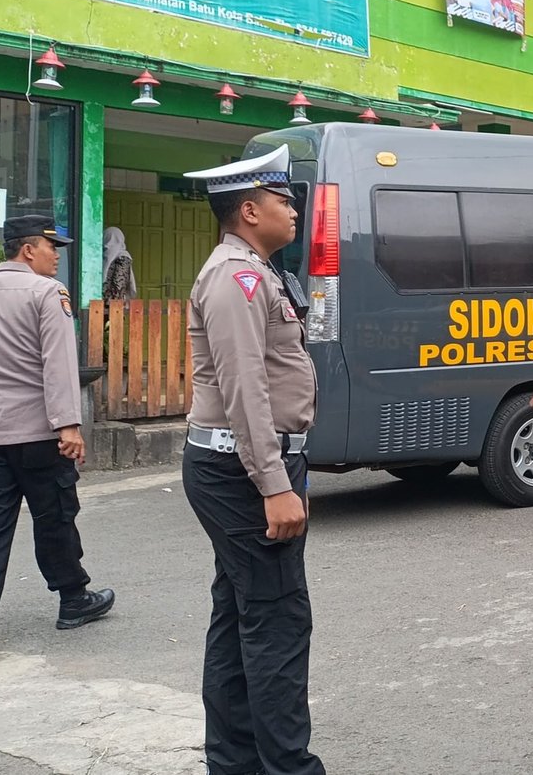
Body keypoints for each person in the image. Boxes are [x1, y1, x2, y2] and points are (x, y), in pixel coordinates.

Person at [182, 144, 325, 775]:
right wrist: (273, 482)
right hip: (243, 472)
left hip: (235, 465)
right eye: (282, 200)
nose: (293, 210)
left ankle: (234, 762)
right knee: (276, 619)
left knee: (239, 613)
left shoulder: (251, 271)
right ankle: (287, 768)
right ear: (248, 210)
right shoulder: (236, 277)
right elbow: (246, 385)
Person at [0, 214, 115, 664]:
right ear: (28, 249)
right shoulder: (47, 294)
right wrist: (69, 425)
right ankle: (73, 601)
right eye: (51, 247)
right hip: (40, 434)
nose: (57, 255)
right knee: (55, 516)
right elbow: (58, 364)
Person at [102, 226, 138, 301]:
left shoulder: (123, 258)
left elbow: (119, 287)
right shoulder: (103, 256)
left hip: (115, 305)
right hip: (101, 306)